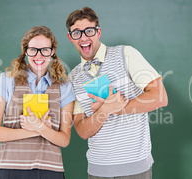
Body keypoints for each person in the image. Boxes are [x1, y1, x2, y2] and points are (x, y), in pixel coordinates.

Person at [66, 7, 168, 178]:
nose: (83, 37)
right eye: (76, 32)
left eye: (89, 31)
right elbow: (83, 131)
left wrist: (113, 107)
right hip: (97, 171)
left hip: (136, 169)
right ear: (70, 37)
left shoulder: (125, 54)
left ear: (99, 32)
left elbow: (160, 97)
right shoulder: (73, 78)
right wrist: (106, 109)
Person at [0, 26, 75, 179]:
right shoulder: (7, 81)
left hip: (50, 171)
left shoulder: (65, 88)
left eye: (45, 50)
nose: (39, 55)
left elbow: (64, 140)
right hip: (11, 169)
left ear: (52, 51)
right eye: (33, 50)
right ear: (25, 51)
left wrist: (40, 127)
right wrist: (36, 129)